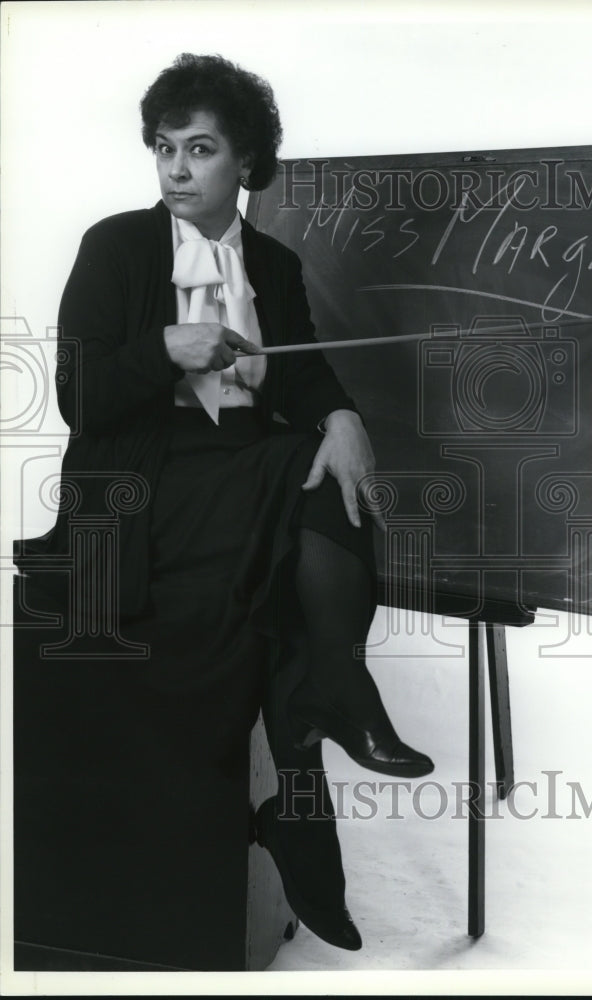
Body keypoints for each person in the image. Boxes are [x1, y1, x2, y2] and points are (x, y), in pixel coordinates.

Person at [13, 52, 433, 969]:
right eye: (163, 148)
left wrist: (345, 416)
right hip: (136, 489)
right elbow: (78, 397)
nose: (173, 169)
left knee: (325, 470)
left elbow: (307, 363)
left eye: (198, 150)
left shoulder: (272, 263)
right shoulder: (115, 246)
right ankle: (321, 727)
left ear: (244, 162)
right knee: (297, 480)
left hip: (239, 471)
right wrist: (165, 348)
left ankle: (330, 695)